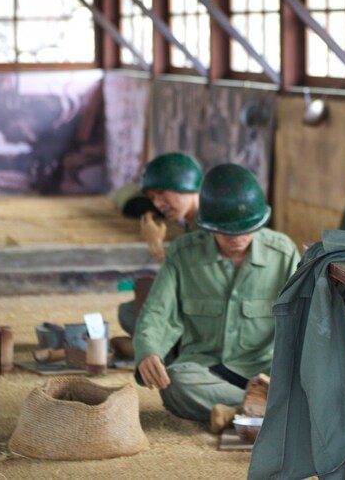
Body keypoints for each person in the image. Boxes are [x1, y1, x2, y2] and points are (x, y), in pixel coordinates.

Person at [132, 163, 300, 432]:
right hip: (204, 371)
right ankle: (275, 411)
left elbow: (305, 319)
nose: (237, 238)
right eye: (226, 231)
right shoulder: (182, 254)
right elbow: (157, 312)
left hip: (266, 372)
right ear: (208, 225)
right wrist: (148, 350)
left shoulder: (283, 254)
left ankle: (242, 411)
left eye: (246, 229)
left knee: (335, 369)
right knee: (174, 381)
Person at [116, 152, 203, 337]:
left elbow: (194, 279)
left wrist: (155, 244)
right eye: (153, 198)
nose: (158, 204)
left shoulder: (207, 224)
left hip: (212, 315)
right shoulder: (193, 222)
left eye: (161, 195)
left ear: (185, 185)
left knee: (134, 314)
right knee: (129, 311)